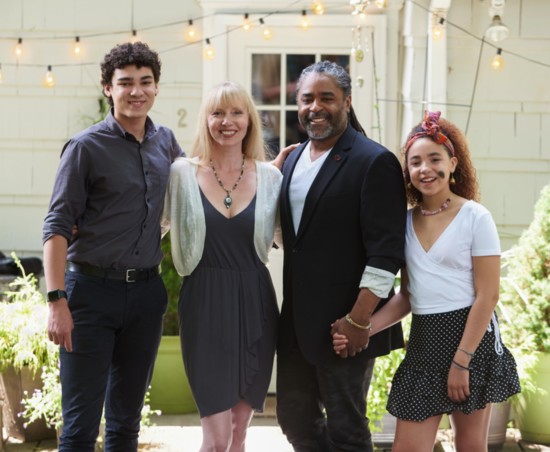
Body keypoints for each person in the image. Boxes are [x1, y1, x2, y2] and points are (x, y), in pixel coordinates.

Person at [334, 111, 521, 452]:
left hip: (472, 341)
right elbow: (407, 296)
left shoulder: (475, 217)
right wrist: (360, 328)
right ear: (407, 172)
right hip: (424, 343)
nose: (425, 169)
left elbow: (488, 296)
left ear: (453, 163)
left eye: (434, 159)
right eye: (415, 162)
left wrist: (461, 361)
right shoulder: (403, 223)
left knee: (470, 446)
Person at [42, 42, 184, 451]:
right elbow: (56, 226)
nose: (135, 91)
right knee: (80, 426)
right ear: (108, 88)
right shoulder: (86, 147)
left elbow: (197, 188)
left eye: (145, 82)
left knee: (126, 424)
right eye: (125, 83)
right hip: (89, 295)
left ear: (156, 88)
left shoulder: (166, 142)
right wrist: (57, 301)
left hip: (145, 294)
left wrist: (264, 172)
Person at [276, 60, 407, 451]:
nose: (315, 106)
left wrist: (358, 320)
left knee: (347, 431)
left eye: (327, 98)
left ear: (347, 102)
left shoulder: (374, 162)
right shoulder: (293, 158)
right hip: (296, 324)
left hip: (344, 326)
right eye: (307, 99)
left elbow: (386, 253)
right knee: (294, 420)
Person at [162, 81, 294, 452]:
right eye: (217, 113)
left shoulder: (271, 178)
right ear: (206, 120)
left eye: (237, 112)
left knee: (239, 432)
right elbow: (149, 226)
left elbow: (291, 241)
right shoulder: (181, 174)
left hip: (256, 303)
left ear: (250, 121)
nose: (227, 121)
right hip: (204, 303)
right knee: (217, 438)